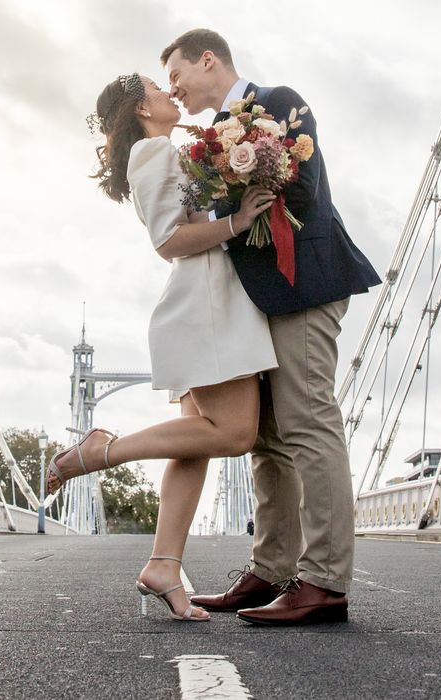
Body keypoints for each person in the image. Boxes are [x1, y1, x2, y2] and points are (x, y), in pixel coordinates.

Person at [159, 29, 382, 626]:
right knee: (268, 438)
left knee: (308, 420)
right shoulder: (203, 142)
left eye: (176, 73)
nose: (174, 88)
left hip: (305, 283)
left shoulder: (279, 100)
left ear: (209, 59)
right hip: (257, 302)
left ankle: (325, 582)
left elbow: (301, 187)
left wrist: (232, 179)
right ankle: (273, 567)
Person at [46, 72, 279, 622]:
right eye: (157, 86)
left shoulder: (172, 150)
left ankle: (163, 566)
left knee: (193, 446)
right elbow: (169, 241)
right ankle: (100, 450)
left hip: (210, 303)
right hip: (206, 306)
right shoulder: (152, 152)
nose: (168, 92)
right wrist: (239, 220)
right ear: (140, 109)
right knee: (237, 433)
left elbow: (191, 219)